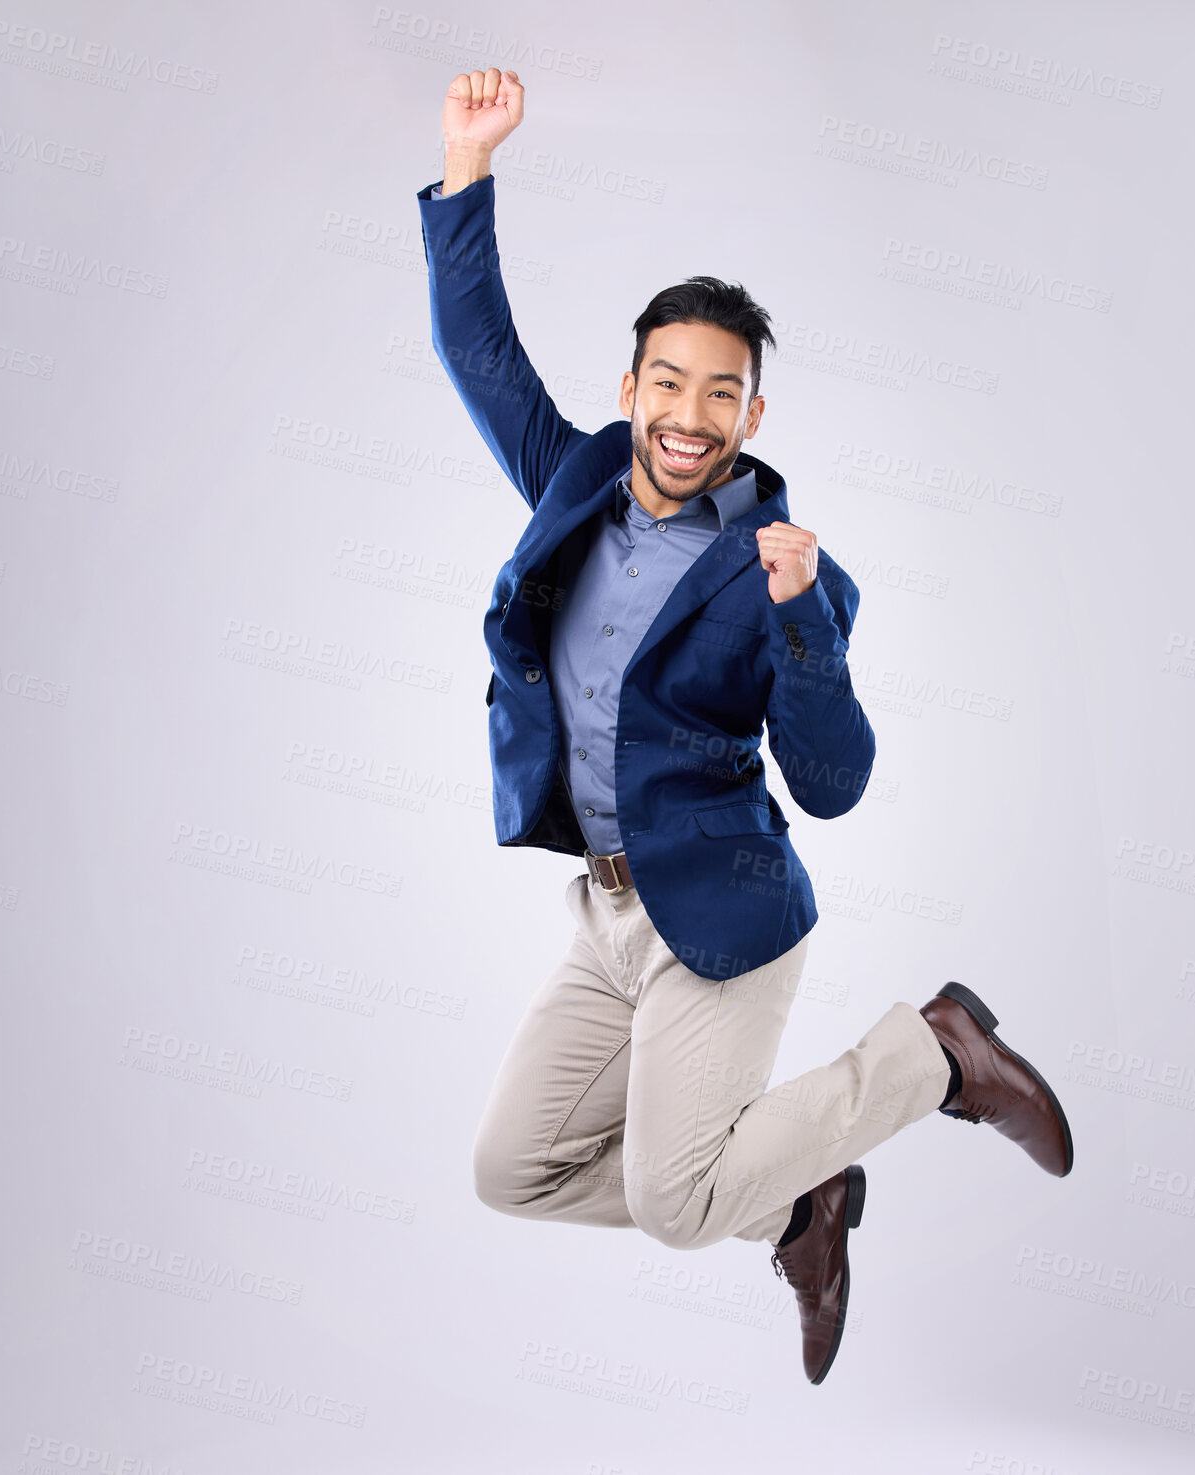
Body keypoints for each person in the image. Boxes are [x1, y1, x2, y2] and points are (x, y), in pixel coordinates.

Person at [416, 67, 1073, 1386]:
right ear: (634, 385)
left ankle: (932, 1057)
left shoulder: (789, 568)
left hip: (721, 919)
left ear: (751, 416)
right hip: (604, 917)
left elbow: (836, 783)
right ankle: (797, 1206)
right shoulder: (574, 483)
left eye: (721, 394)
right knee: (513, 1170)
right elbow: (480, 352)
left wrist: (799, 623)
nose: (688, 415)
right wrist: (469, 165)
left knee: (670, 1204)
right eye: (668, 384)